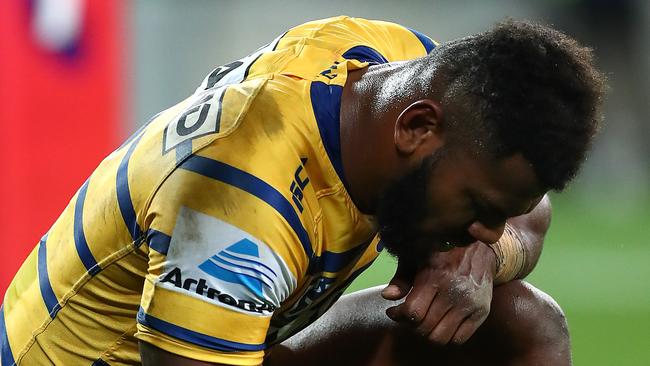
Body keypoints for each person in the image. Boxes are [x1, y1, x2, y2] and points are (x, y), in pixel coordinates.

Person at [0, 16, 604, 366]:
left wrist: (481, 259)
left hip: (232, 337)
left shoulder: (404, 71)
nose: (486, 231)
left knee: (524, 322)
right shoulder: (237, 204)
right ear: (416, 128)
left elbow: (533, 219)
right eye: (478, 210)